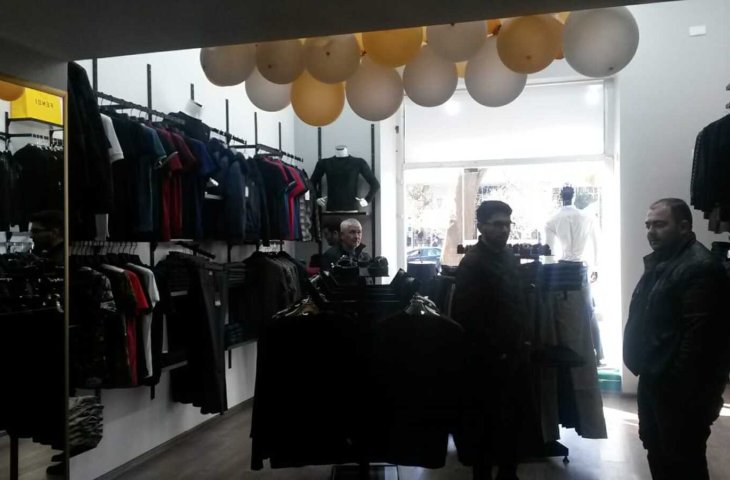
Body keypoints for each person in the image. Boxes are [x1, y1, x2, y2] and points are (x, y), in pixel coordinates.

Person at [624, 198, 730, 480]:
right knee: (657, 449)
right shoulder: (665, 260)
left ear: (684, 227)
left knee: (683, 460)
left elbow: (699, 342)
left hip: (680, 390)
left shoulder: (700, 267)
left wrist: (674, 389)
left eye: (660, 224)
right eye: (648, 225)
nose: (651, 231)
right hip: (656, 377)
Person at [453, 201, 530, 480]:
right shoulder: (472, 263)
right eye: (497, 224)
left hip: (514, 354)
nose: (504, 230)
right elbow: (466, 315)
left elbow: (516, 303)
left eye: (507, 224)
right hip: (486, 360)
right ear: (481, 227)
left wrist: (521, 341)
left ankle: (509, 473)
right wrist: (495, 350)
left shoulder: (509, 256)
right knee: (485, 424)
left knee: (512, 421)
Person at [545, 185, 604, 365]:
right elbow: (597, 244)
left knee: (565, 309)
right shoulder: (587, 218)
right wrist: (596, 266)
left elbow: (549, 251)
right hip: (581, 266)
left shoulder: (552, 220)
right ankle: (599, 353)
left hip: (563, 268)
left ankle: (575, 350)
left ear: (560, 197)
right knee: (588, 309)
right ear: (574, 195)